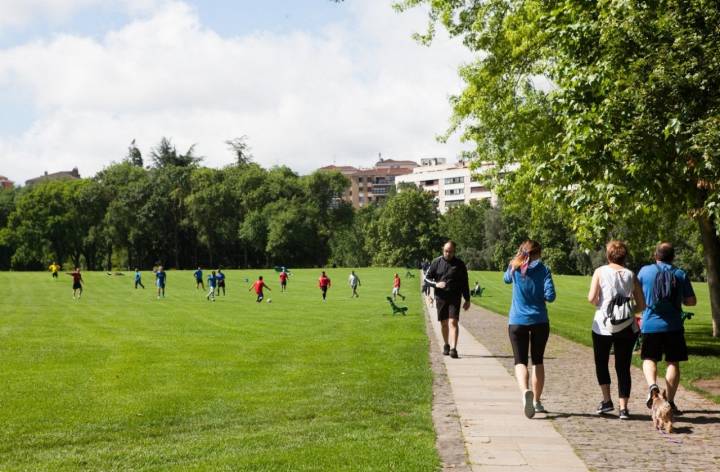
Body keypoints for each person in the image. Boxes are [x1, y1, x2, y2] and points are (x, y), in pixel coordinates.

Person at [587, 240, 645, 420]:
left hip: (603, 325)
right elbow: (642, 304)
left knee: (601, 362)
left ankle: (606, 400)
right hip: (627, 326)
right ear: (624, 256)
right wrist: (628, 311)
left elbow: (591, 298)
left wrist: (602, 305)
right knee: (623, 366)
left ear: (608, 255)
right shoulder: (631, 275)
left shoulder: (600, 272)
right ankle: (624, 408)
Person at [637, 242, 696, 416]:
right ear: (673, 257)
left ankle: (652, 386)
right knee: (673, 362)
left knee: (649, 358)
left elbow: (635, 293)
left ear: (656, 255)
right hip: (673, 325)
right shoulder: (679, 274)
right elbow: (691, 301)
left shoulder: (644, 272)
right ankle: (669, 401)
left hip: (650, 324)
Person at [503, 240, 555, 418]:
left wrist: (515, 261)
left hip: (517, 321)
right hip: (540, 321)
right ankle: (537, 401)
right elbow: (551, 296)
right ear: (538, 254)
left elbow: (506, 279)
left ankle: (525, 391)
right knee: (538, 361)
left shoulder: (515, 267)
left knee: (520, 361)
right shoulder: (544, 270)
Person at [424, 241, 471, 359]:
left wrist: (467, 299)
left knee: (453, 322)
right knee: (444, 323)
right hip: (441, 298)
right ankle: (446, 344)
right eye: (446, 251)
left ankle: (454, 349)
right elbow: (427, 279)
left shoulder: (460, 264)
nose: (448, 253)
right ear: (442, 250)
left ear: (454, 251)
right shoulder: (436, 262)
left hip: (455, 297)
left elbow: (465, 282)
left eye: (450, 251)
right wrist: (436, 284)